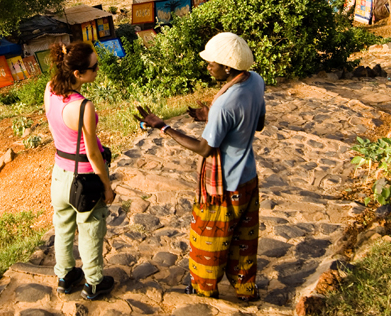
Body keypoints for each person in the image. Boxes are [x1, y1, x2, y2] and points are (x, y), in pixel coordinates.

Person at [136, 32, 266, 301]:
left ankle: (204, 291)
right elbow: (258, 122)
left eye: (212, 63)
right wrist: (210, 116)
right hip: (248, 178)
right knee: (243, 241)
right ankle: (245, 289)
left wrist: (164, 127)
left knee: (208, 241)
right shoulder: (255, 81)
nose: (209, 67)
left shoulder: (225, 103)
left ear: (228, 67)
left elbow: (205, 148)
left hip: (224, 187)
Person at [44, 41, 116, 300]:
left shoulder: (50, 90)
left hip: (60, 173)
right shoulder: (84, 107)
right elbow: (92, 153)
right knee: (90, 228)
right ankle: (94, 282)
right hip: (85, 177)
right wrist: (106, 185)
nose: (97, 70)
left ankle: (64, 276)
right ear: (78, 74)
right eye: (94, 67)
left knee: (62, 226)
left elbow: (57, 128)